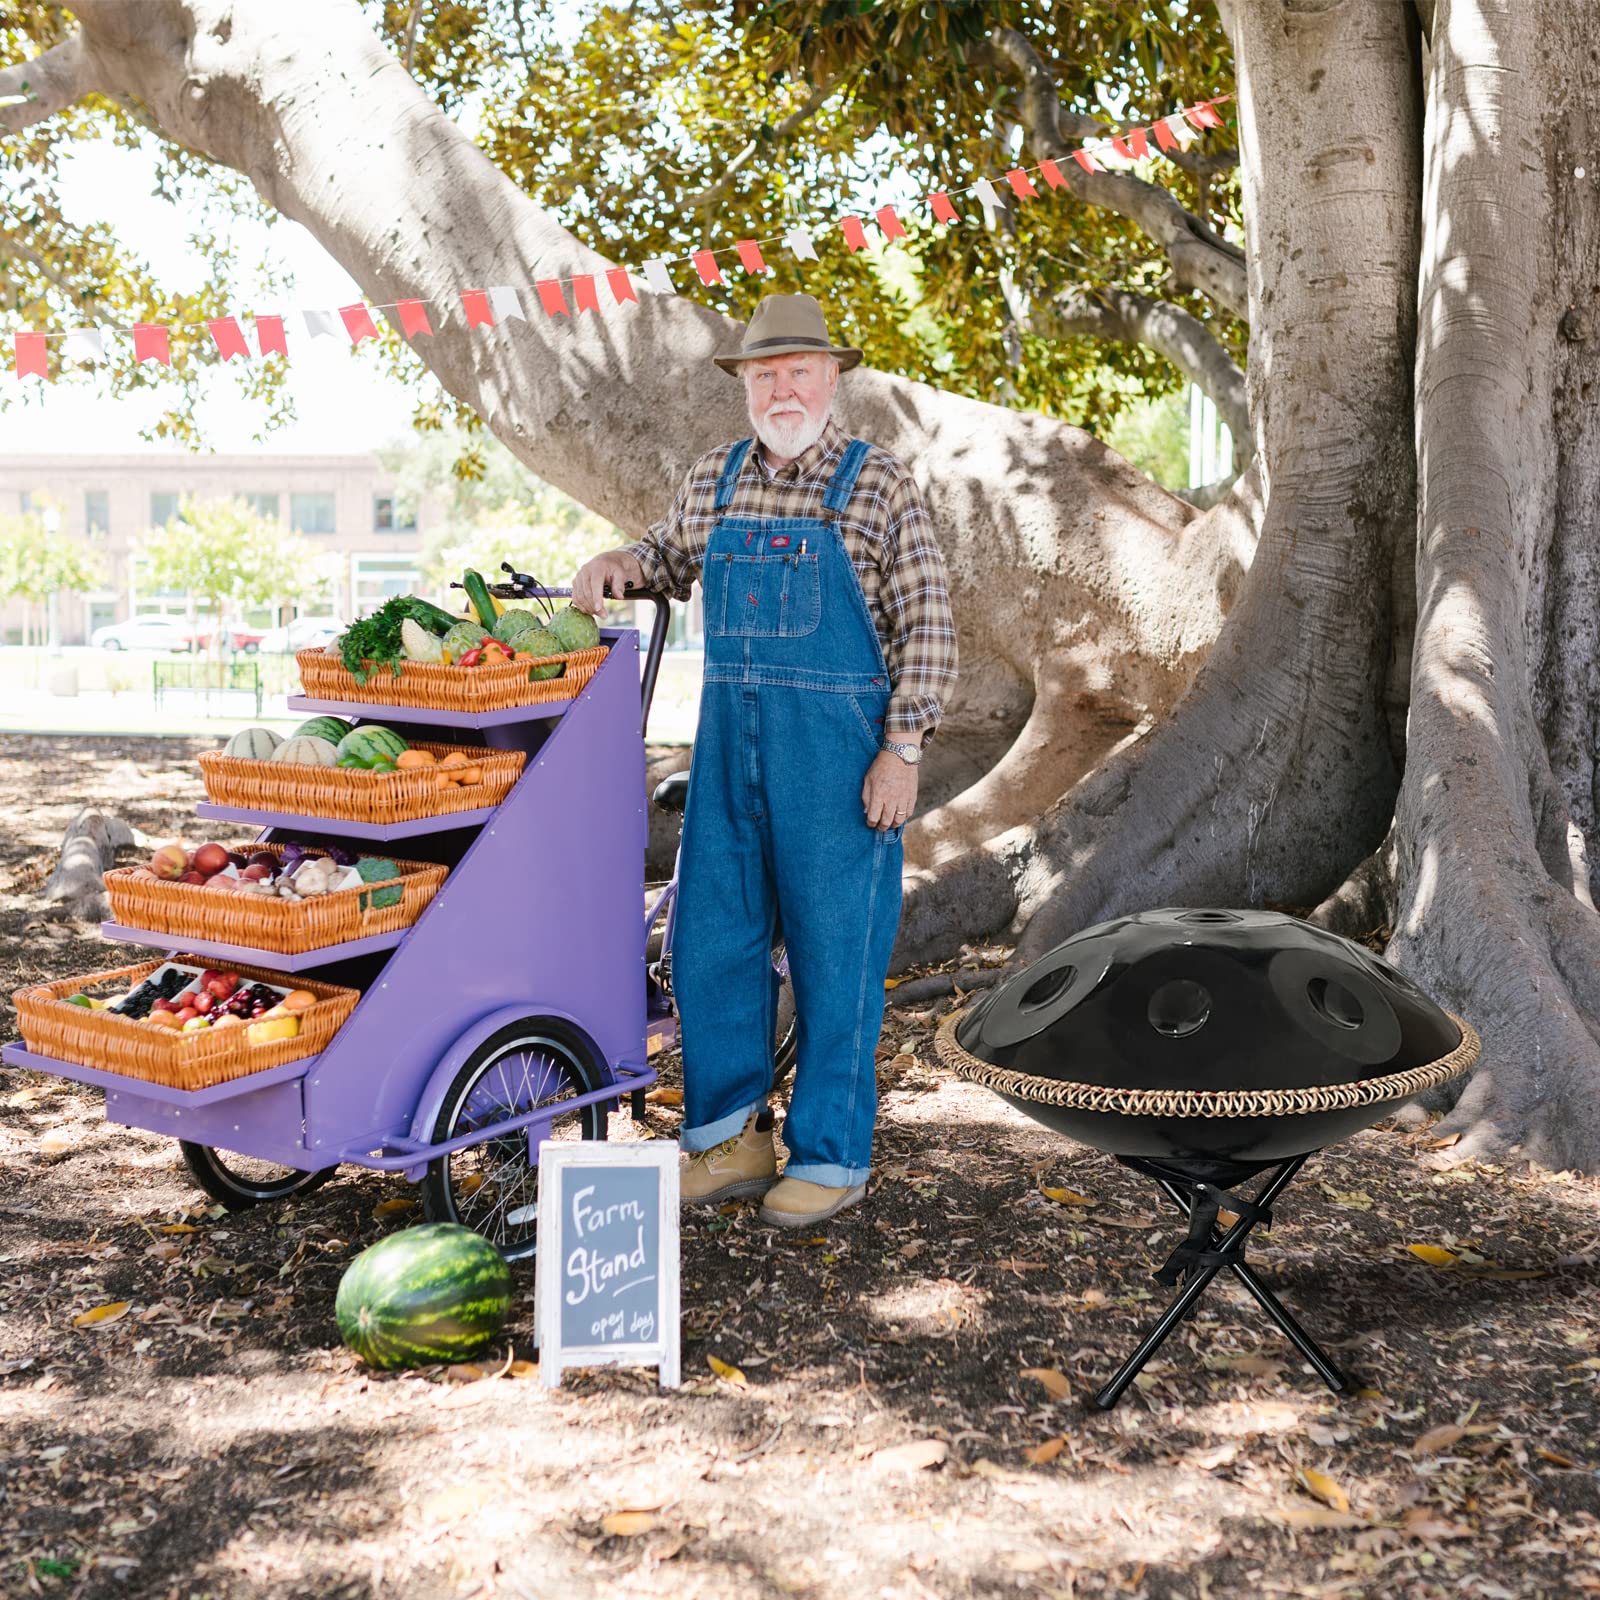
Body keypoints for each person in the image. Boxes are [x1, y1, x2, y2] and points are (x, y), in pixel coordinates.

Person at [572, 293, 957, 1228]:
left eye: (799, 373)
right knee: (711, 943)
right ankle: (728, 1140)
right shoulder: (713, 480)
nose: (782, 389)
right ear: (744, 384)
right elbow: (667, 556)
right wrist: (616, 561)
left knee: (836, 957)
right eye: (764, 374)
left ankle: (830, 1154)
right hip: (728, 759)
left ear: (831, 380)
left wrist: (901, 748)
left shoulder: (878, 485)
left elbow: (931, 630)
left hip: (839, 764)